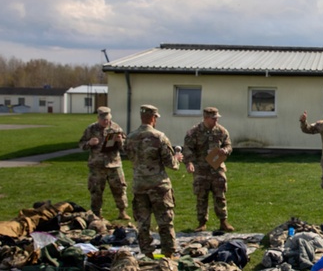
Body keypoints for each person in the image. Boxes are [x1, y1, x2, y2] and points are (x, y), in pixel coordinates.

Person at [124, 105, 181, 258]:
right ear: (153, 118)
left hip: (139, 185)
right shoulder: (159, 137)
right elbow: (171, 164)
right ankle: (168, 253)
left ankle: (147, 253)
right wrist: (177, 158)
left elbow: (129, 155)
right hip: (158, 185)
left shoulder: (130, 137)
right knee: (165, 220)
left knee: (142, 222)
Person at [182, 106, 234, 232]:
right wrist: (189, 163)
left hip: (217, 168)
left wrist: (225, 150)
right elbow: (187, 148)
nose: (216, 121)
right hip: (201, 169)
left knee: (220, 195)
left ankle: (223, 221)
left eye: (217, 118)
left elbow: (228, 145)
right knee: (201, 196)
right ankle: (202, 223)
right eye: (213, 119)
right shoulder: (194, 132)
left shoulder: (221, 131)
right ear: (206, 118)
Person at [78, 106, 128, 220]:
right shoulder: (91, 129)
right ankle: (96, 214)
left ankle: (122, 212)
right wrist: (89, 143)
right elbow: (81, 144)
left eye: (107, 119)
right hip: (97, 166)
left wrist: (120, 141)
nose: (106, 122)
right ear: (98, 118)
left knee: (119, 189)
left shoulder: (116, 128)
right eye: (103, 120)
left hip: (114, 164)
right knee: (96, 190)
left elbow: (125, 148)